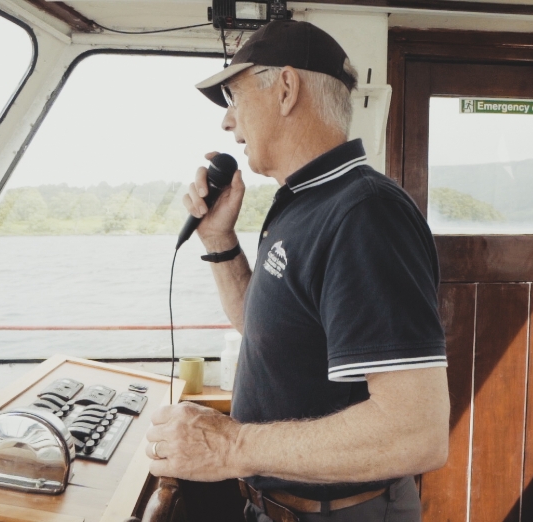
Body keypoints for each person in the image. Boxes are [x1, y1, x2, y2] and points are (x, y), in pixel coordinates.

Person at [145, 20, 450, 522]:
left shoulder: (364, 213)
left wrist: (231, 446)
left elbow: (416, 433)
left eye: (234, 97)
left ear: (286, 89)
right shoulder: (301, 203)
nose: (228, 122)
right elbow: (266, 331)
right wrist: (220, 242)